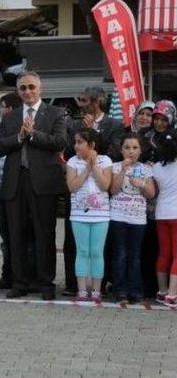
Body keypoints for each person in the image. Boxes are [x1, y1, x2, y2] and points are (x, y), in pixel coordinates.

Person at [0, 71, 67, 300]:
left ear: (40, 88)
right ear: (18, 91)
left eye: (31, 87)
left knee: (44, 234)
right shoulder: (9, 117)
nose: (27, 91)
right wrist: (19, 137)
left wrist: (32, 134)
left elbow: (60, 142)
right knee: (16, 235)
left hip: (43, 183)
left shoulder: (55, 113)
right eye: (23, 88)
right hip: (15, 182)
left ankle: (46, 283)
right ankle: (20, 282)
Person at [63, 87, 125, 297]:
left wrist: (95, 136)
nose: (80, 104)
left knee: (99, 249)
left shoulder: (114, 124)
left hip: (101, 203)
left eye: (84, 100)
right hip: (78, 202)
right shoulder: (74, 124)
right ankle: (75, 286)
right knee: (76, 247)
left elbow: (116, 151)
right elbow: (70, 151)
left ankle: (99, 286)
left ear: (97, 102)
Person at [66, 128, 113, 303]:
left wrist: (94, 166)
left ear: (92, 144)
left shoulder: (105, 160)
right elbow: (72, 186)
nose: (76, 145)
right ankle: (81, 289)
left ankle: (96, 288)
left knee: (96, 251)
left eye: (80, 142)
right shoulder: (72, 162)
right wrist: (86, 168)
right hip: (79, 215)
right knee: (83, 251)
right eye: (75, 142)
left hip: (100, 215)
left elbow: (105, 185)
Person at [109, 133, 155, 303]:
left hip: (138, 218)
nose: (131, 151)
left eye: (135, 148)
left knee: (135, 255)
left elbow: (151, 194)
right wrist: (123, 170)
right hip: (118, 216)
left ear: (141, 150)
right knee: (120, 254)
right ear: (121, 150)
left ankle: (134, 290)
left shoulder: (145, 169)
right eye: (127, 147)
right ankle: (119, 289)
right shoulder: (115, 166)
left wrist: (142, 184)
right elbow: (112, 190)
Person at [0, 92, 22, 290]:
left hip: (16, 191)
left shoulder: (20, 130)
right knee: (5, 238)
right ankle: (7, 275)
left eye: (2, 106)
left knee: (19, 237)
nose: (0, 110)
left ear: (9, 108)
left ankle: (23, 276)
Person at [151, 132, 177, 306]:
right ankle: (173, 295)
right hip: (176, 215)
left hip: (161, 214)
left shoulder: (156, 168)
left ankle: (162, 291)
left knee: (164, 253)